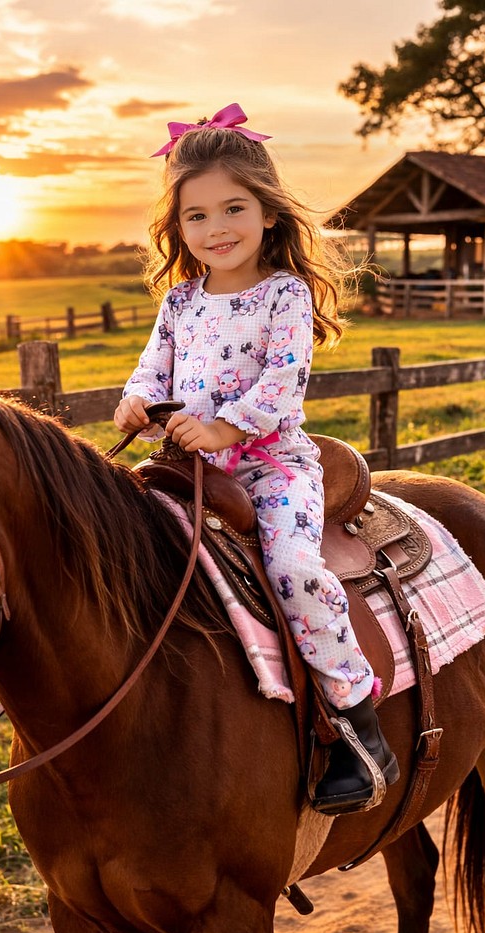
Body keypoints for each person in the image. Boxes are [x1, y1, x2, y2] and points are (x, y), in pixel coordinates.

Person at [114, 103, 398, 814]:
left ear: (269, 213)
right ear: (179, 228)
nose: (217, 228)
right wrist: (137, 402)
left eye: (233, 208)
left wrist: (225, 427)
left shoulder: (284, 295)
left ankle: (357, 720)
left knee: (295, 571)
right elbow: (153, 368)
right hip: (188, 470)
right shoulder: (181, 301)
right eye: (197, 216)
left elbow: (282, 381)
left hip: (271, 467)